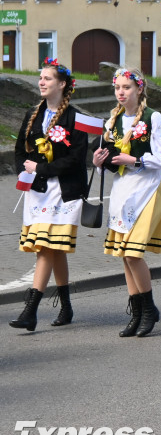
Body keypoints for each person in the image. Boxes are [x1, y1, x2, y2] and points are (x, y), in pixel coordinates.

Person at [94, 67, 161, 337]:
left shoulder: (154, 118)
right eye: (117, 87)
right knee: (124, 256)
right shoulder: (112, 121)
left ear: (139, 89)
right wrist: (98, 162)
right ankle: (137, 311)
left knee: (133, 252)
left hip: (148, 189)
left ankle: (149, 309)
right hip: (122, 191)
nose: (120, 92)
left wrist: (136, 160)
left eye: (126, 87)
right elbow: (107, 159)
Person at [9, 58, 88, 333]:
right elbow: (20, 150)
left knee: (45, 247)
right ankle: (66, 307)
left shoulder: (76, 117)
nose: (41, 82)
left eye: (48, 78)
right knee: (53, 250)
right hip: (38, 191)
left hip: (64, 191)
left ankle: (30, 311)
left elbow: (78, 160)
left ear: (62, 84)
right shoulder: (34, 112)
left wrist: (40, 168)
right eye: (40, 78)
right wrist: (25, 172)